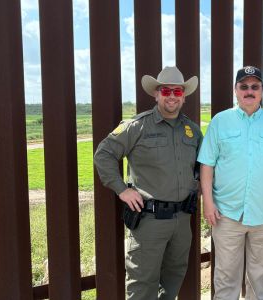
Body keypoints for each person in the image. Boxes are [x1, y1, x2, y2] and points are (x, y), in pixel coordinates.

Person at [93, 66, 202, 300]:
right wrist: (121, 190)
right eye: (166, 91)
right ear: (156, 94)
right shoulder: (137, 126)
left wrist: (199, 187)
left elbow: (203, 166)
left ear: (183, 96)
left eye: (177, 91)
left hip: (182, 220)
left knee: (174, 278)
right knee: (143, 283)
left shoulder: (191, 130)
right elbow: (104, 154)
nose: (171, 96)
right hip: (149, 221)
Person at [198, 66, 263, 299]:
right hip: (227, 215)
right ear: (235, 90)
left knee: (259, 277)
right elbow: (207, 165)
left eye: (255, 86)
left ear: (262, 90)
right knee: (226, 277)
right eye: (244, 87)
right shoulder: (220, 121)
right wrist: (208, 203)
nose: (249, 91)